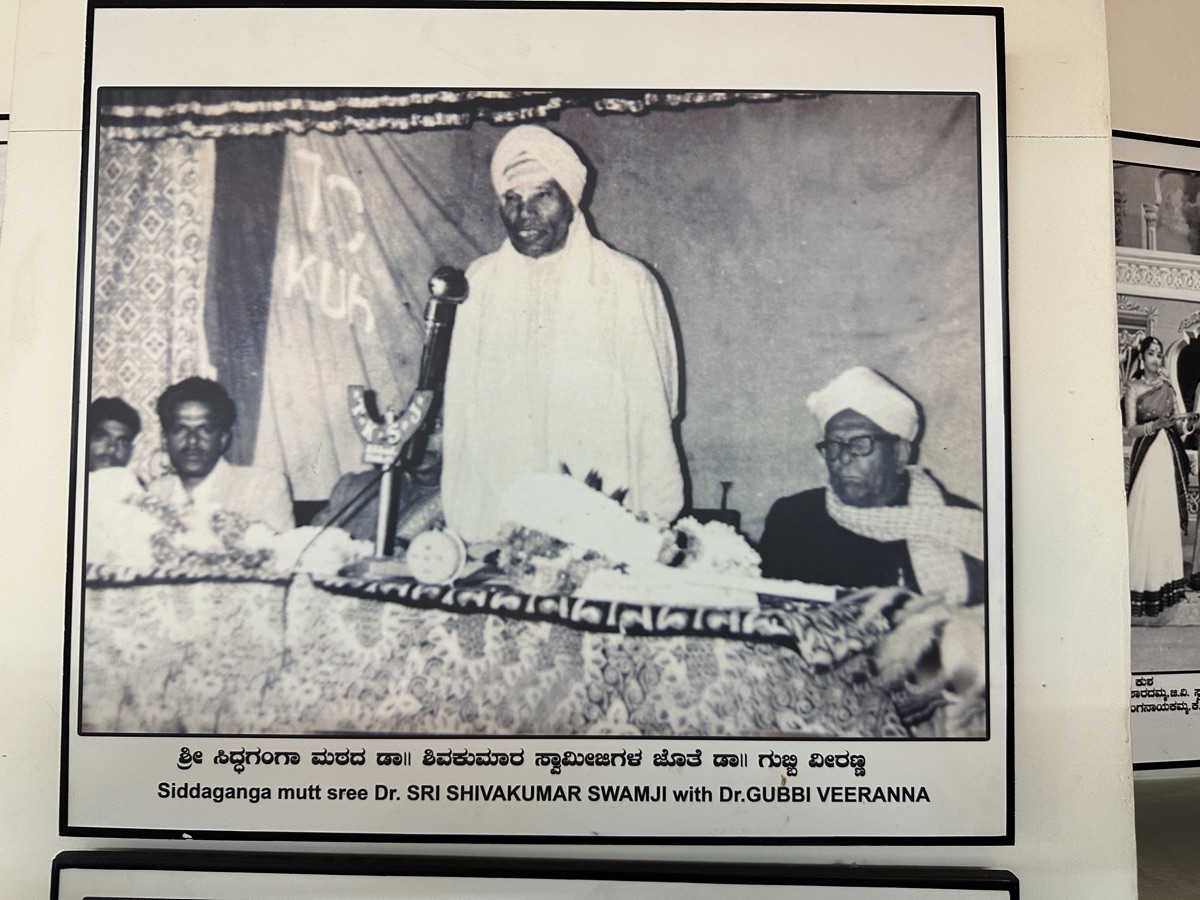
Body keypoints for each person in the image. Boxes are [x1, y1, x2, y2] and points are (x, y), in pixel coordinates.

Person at [442, 124, 684, 543]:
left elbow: (657, 409)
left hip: (603, 516)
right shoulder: (479, 283)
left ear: (571, 201)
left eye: (542, 195)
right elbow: (461, 405)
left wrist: (653, 519)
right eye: (511, 199)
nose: (524, 213)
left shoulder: (625, 282)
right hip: (498, 513)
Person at [758, 366, 985, 606]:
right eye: (834, 445)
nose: (843, 458)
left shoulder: (958, 523)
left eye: (860, 443)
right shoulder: (793, 517)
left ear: (899, 454)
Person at [147, 377, 295, 534]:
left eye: (206, 430)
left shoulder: (263, 488)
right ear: (164, 440)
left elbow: (279, 556)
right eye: (180, 429)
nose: (192, 440)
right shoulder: (155, 494)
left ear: (223, 438)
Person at [1125, 336, 1191, 617]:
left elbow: (1180, 423)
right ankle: (1140, 586)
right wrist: (1154, 425)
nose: (1156, 359)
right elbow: (1131, 429)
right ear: (1142, 358)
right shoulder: (1134, 387)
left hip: (1167, 457)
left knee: (1164, 518)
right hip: (1148, 455)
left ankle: (1165, 586)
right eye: (1151, 353)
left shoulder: (1168, 388)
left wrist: (1188, 422)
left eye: (1160, 354)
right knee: (1145, 517)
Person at [87, 396, 141, 473]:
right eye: (101, 436)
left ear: (131, 452)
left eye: (123, 442)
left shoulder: (131, 484)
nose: (112, 448)